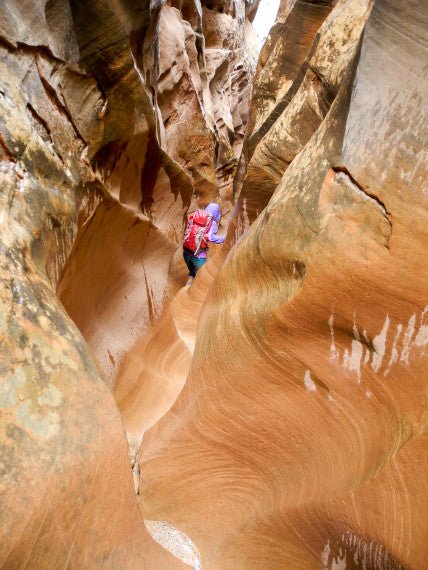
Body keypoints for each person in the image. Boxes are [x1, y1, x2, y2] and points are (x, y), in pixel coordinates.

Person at [183, 202, 225, 286]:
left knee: (192, 272)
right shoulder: (211, 222)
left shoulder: (195, 216)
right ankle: (192, 297)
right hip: (198, 256)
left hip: (186, 252)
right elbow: (211, 238)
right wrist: (224, 238)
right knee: (202, 277)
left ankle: (186, 290)